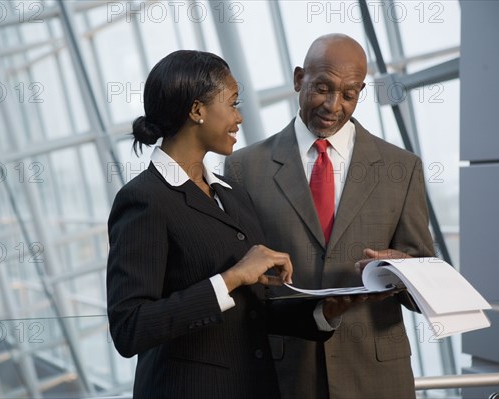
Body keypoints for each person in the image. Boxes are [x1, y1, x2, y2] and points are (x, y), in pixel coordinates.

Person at [106, 50, 354, 399]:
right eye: (233, 103)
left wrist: (324, 311)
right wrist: (231, 277)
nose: (239, 117)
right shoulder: (145, 199)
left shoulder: (232, 195)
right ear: (197, 111)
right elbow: (129, 327)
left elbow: (252, 312)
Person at [225, 34, 435, 399]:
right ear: (297, 80)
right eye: (322, 88)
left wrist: (409, 270)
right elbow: (239, 282)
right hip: (286, 371)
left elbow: (423, 286)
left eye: (349, 94)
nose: (333, 105)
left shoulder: (402, 168)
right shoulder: (244, 168)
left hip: (376, 377)